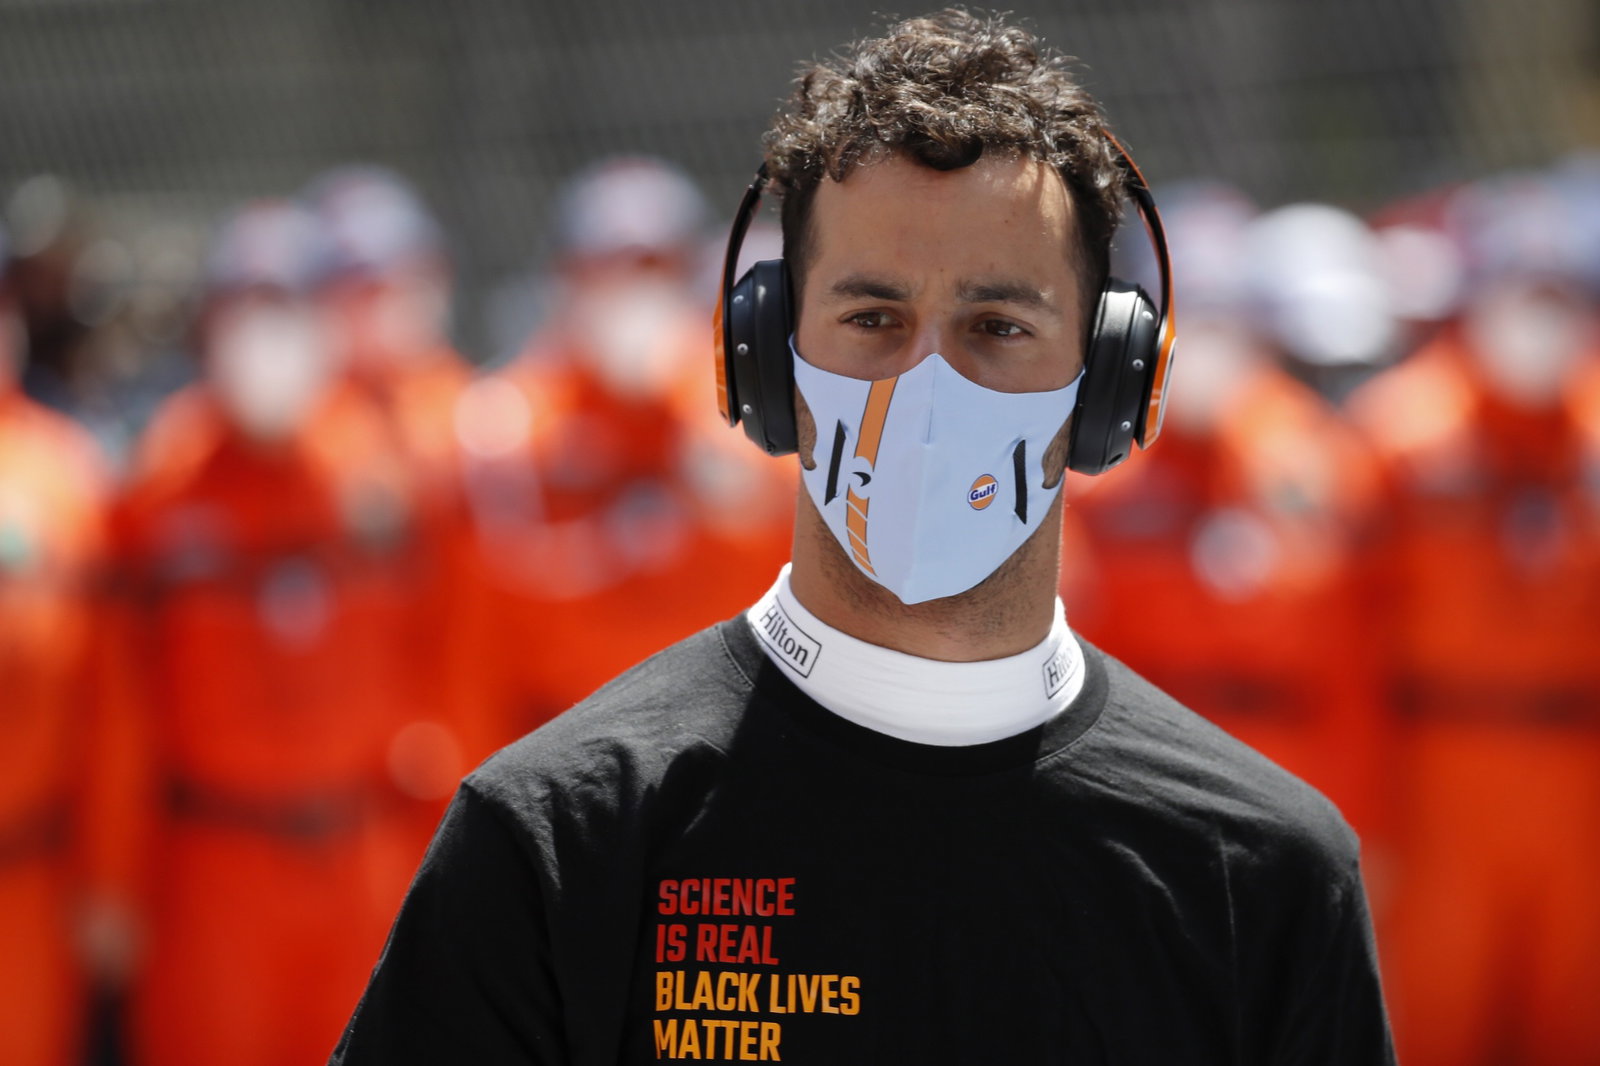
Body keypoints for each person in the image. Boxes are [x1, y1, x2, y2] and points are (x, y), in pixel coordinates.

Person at [331, 11, 1393, 1063]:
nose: (927, 386)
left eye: (998, 327)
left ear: (1109, 386)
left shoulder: (1265, 879)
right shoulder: (555, 839)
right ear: (763, 363)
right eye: (873, 319)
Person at [1348, 169, 1600, 1066]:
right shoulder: (1400, 432)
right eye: (1522, 294)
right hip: (1438, 778)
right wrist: (1360, 809)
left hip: (1579, 785)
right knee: (1437, 1019)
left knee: (1573, 1022)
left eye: (1558, 297)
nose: (1539, 321)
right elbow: (1349, 640)